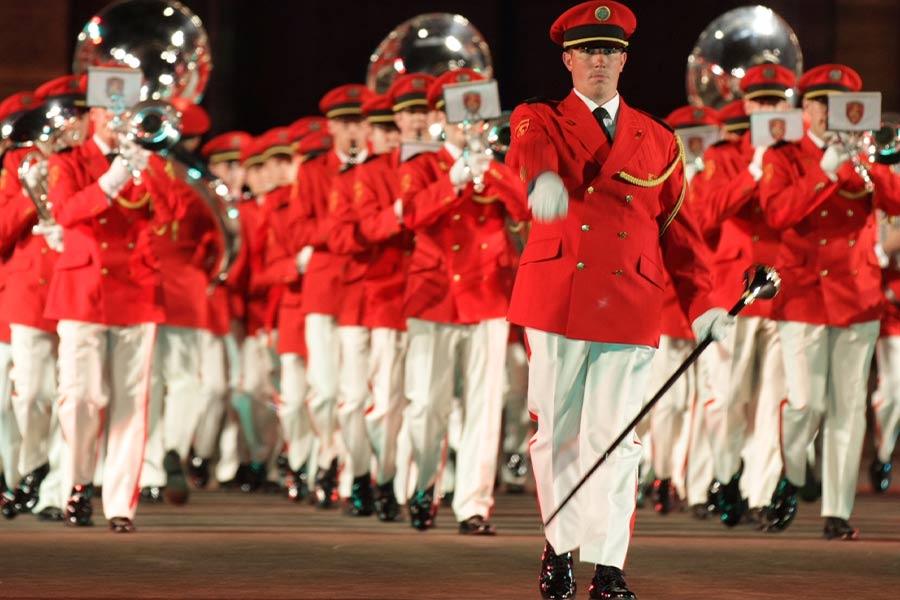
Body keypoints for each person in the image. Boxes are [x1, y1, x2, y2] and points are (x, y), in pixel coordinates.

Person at [505, 2, 729, 597]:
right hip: (559, 293)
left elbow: (681, 229)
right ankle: (560, 549)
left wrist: (704, 299)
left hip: (630, 295)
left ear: (624, 59)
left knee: (618, 438)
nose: (598, 60)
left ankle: (608, 565)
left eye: (609, 50)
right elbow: (529, 151)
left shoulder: (658, 138)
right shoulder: (539, 117)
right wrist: (542, 180)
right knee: (558, 433)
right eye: (587, 51)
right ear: (567, 60)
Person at [758, 64, 900, 540]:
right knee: (805, 402)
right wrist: (823, 169)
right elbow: (778, 213)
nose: (824, 113)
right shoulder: (784, 155)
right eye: (817, 103)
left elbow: (896, 200)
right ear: (805, 108)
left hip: (855, 297)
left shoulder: (864, 155)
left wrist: (872, 163)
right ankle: (793, 475)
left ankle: (837, 511)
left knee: (846, 408)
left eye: (834, 105)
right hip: (804, 296)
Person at [399, 68, 529, 535]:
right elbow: (411, 216)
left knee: (484, 403)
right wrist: (452, 182)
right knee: (427, 405)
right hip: (434, 296)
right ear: (440, 116)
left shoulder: (497, 162)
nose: (468, 121)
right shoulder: (419, 166)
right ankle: (423, 487)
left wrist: (490, 170)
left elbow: (523, 209)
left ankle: (473, 504)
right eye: (458, 110)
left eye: (475, 109)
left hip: (486, 295)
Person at [46, 95, 182, 533]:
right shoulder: (69, 162)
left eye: (124, 114)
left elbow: (173, 212)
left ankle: (120, 502)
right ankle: (78, 483)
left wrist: (147, 163)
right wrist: (116, 175)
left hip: (135, 289)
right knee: (81, 398)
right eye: (109, 113)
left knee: (131, 402)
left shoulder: (148, 158)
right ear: (93, 118)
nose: (117, 122)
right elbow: (66, 211)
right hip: (83, 288)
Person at [689, 64, 795, 527]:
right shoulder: (725, 156)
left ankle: (760, 492)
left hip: (786, 291)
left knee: (774, 399)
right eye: (761, 102)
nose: (769, 109)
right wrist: (754, 169)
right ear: (747, 106)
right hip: (734, 289)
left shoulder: (797, 155)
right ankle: (726, 477)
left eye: (776, 102)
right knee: (729, 397)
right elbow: (704, 214)